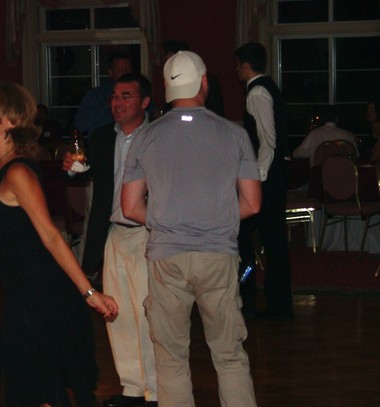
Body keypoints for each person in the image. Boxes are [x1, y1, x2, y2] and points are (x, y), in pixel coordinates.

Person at [0, 81, 118, 407]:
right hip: (23, 293)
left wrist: (89, 292)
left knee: (28, 385)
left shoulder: (17, 171)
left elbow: (50, 234)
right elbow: (2, 221)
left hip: (42, 293)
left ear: (12, 121)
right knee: (28, 384)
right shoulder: (1, 166)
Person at [121, 51, 260, 407]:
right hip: (218, 255)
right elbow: (252, 203)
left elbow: (130, 206)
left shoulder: (145, 137)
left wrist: (168, 219)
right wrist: (214, 218)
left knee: (170, 359)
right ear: (204, 82)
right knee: (229, 356)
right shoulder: (235, 134)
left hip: (166, 256)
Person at [63, 73, 158, 407]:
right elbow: (89, 172)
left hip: (148, 233)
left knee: (148, 312)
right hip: (113, 232)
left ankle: (155, 391)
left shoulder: (158, 137)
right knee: (117, 313)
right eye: (115, 96)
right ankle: (132, 388)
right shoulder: (103, 136)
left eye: (126, 96)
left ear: (145, 102)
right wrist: (74, 168)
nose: (117, 103)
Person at [235, 41, 293, 320]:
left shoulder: (257, 92)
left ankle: (257, 302)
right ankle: (276, 305)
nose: (236, 70)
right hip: (272, 176)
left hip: (266, 179)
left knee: (254, 242)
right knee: (272, 243)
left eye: (238, 65)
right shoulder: (268, 88)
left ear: (246, 66)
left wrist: (256, 182)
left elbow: (268, 143)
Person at [74, 52, 133, 137]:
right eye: (120, 69)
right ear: (111, 72)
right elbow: (80, 125)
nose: (124, 73)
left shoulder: (139, 94)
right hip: (101, 142)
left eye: (127, 69)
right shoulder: (96, 95)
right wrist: (107, 107)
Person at [162, 40, 225, 117]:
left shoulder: (210, 81)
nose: (163, 61)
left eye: (163, 56)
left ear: (170, 55)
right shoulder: (209, 79)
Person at [293, 105, 359, 167]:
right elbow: (356, 156)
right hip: (342, 173)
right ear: (337, 118)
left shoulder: (313, 134)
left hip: (319, 173)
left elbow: (298, 154)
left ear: (322, 119)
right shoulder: (347, 135)